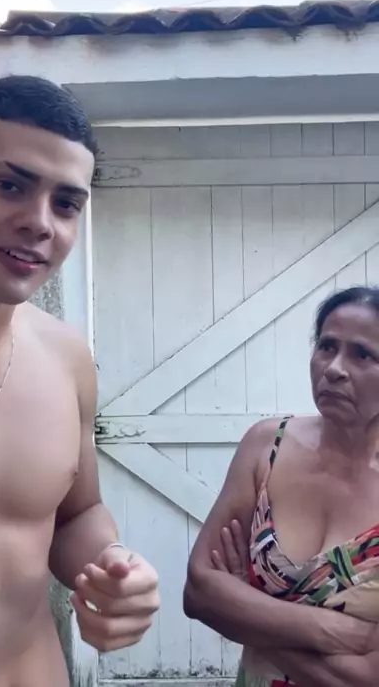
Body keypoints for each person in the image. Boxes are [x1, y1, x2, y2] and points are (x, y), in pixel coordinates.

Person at [0, 75, 159, 687]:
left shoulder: (65, 356)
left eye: (66, 204)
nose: (40, 223)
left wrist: (111, 567)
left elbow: (76, 513)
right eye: (9, 185)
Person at [184, 286, 379, 687]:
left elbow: (364, 678)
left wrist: (247, 608)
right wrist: (332, 632)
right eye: (326, 346)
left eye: (362, 354)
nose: (334, 368)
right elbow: (199, 592)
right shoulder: (267, 446)